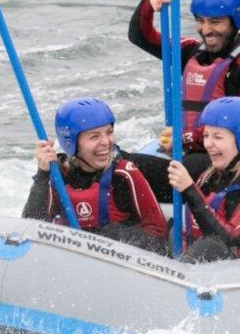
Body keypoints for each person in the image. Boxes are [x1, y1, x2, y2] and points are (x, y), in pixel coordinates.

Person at [128, 0, 240, 184]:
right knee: (124, 165)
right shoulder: (192, 52)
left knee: (180, 167)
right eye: (200, 20)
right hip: (195, 156)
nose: (206, 30)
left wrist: (184, 138)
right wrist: (148, 4)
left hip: (235, 166)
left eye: (215, 22)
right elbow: (140, 37)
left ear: (235, 20)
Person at [23, 98, 168, 253]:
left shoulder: (124, 174)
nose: (106, 141)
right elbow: (30, 229)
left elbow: (159, 237)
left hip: (119, 264)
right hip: (73, 260)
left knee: (111, 232)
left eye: (109, 132)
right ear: (71, 142)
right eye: (94, 136)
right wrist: (42, 174)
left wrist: (113, 239)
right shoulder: (58, 176)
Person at [167, 97, 240, 262]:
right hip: (210, 264)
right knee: (173, 230)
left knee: (209, 247)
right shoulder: (208, 177)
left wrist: (189, 190)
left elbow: (227, 239)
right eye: (206, 135)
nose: (208, 144)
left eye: (218, 137)